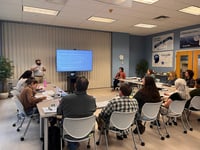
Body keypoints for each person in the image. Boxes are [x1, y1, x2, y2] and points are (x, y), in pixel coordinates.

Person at [57, 76, 96, 150]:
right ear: (87, 87)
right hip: (87, 132)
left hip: (68, 132)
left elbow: (59, 112)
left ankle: (72, 145)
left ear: (75, 85)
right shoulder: (92, 99)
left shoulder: (66, 99)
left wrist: (61, 104)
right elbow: (93, 110)